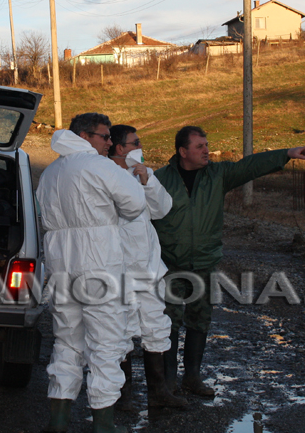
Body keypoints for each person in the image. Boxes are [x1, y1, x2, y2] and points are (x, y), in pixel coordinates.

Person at [152, 126, 305, 397]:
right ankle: (167, 383)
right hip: (169, 264)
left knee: (199, 319)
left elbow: (248, 167)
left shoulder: (217, 174)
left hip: (204, 261)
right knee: (167, 321)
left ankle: (191, 377)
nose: (207, 150)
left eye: (206, 144)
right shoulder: (159, 179)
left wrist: (285, 154)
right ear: (183, 151)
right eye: (200, 146)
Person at [37, 113, 147, 433]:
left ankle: (58, 422)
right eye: (105, 136)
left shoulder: (50, 172)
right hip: (99, 266)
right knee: (105, 346)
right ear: (85, 136)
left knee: (67, 342)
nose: (110, 142)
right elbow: (135, 204)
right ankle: (103, 426)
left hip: (61, 268)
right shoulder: (100, 166)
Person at [108, 125, 187, 410]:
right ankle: (122, 395)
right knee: (123, 331)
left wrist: (147, 181)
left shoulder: (143, 172)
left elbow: (163, 208)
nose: (140, 145)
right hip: (121, 269)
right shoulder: (104, 175)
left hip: (150, 267)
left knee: (156, 327)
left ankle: (160, 393)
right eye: (135, 142)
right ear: (120, 148)